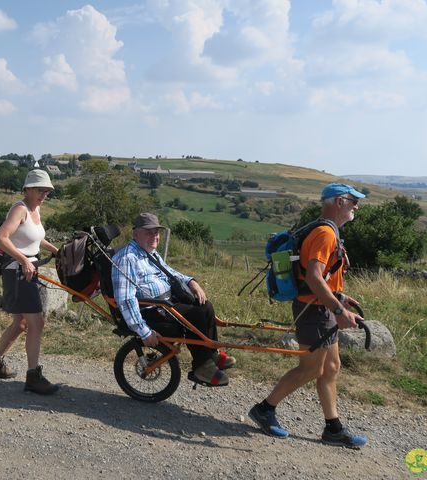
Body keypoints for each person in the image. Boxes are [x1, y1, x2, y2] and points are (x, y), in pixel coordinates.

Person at [248, 183, 368, 448]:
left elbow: (319, 277)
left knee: (331, 368)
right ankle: (265, 409)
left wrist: (339, 298)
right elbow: (313, 277)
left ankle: (333, 428)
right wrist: (339, 311)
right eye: (353, 201)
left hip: (321, 306)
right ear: (339, 202)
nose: (356, 206)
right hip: (313, 311)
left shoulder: (325, 230)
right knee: (311, 368)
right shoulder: (325, 233)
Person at [112, 212, 235, 386]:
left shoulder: (149, 253)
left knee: (205, 306)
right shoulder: (127, 259)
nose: (154, 236)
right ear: (135, 233)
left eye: (156, 232)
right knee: (197, 315)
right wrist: (144, 331)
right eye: (148, 232)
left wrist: (192, 282)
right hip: (152, 312)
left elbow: (171, 272)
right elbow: (125, 300)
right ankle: (202, 368)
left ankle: (211, 356)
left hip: (165, 305)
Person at [0, 169, 60, 395]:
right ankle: (33, 377)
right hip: (18, 273)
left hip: (26, 271)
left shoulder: (36, 210)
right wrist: (24, 259)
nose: (43, 194)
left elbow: (34, 237)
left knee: (21, 324)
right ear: (27, 189)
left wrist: (55, 250)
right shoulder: (20, 209)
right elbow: (1, 238)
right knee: (37, 323)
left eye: (46, 191)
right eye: (39, 190)